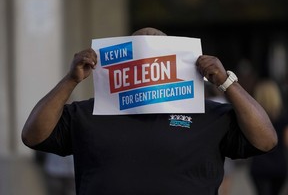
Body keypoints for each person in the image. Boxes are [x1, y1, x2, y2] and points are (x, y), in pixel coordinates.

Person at [21, 27, 277, 195]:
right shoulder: (89, 114)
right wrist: (71, 79)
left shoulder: (208, 115)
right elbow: (33, 135)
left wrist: (226, 82)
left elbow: (266, 139)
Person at [249, 79, 288, 195]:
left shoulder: (253, 117)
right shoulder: (283, 118)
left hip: (259, 165)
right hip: (279, 165)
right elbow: (286, 142)